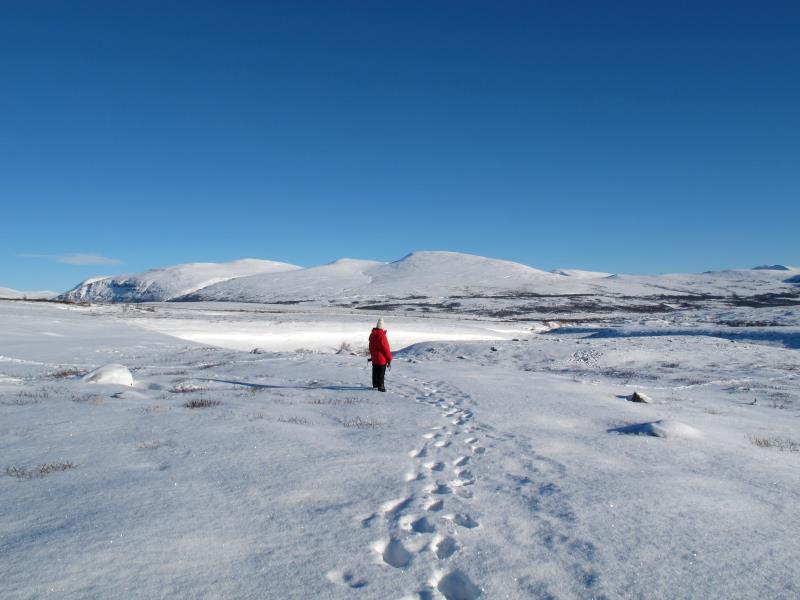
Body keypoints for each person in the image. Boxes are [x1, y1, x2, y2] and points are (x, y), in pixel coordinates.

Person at [369, 317, 392, 392]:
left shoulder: (372, 335)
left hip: (374, 358)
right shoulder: (382, 335)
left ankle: (375, 385)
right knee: (381, 373)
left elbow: (370, 347)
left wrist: (372, 355)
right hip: (381, 359)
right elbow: (386, 348)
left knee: (375, 371)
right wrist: (389, 358)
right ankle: (381, 387)